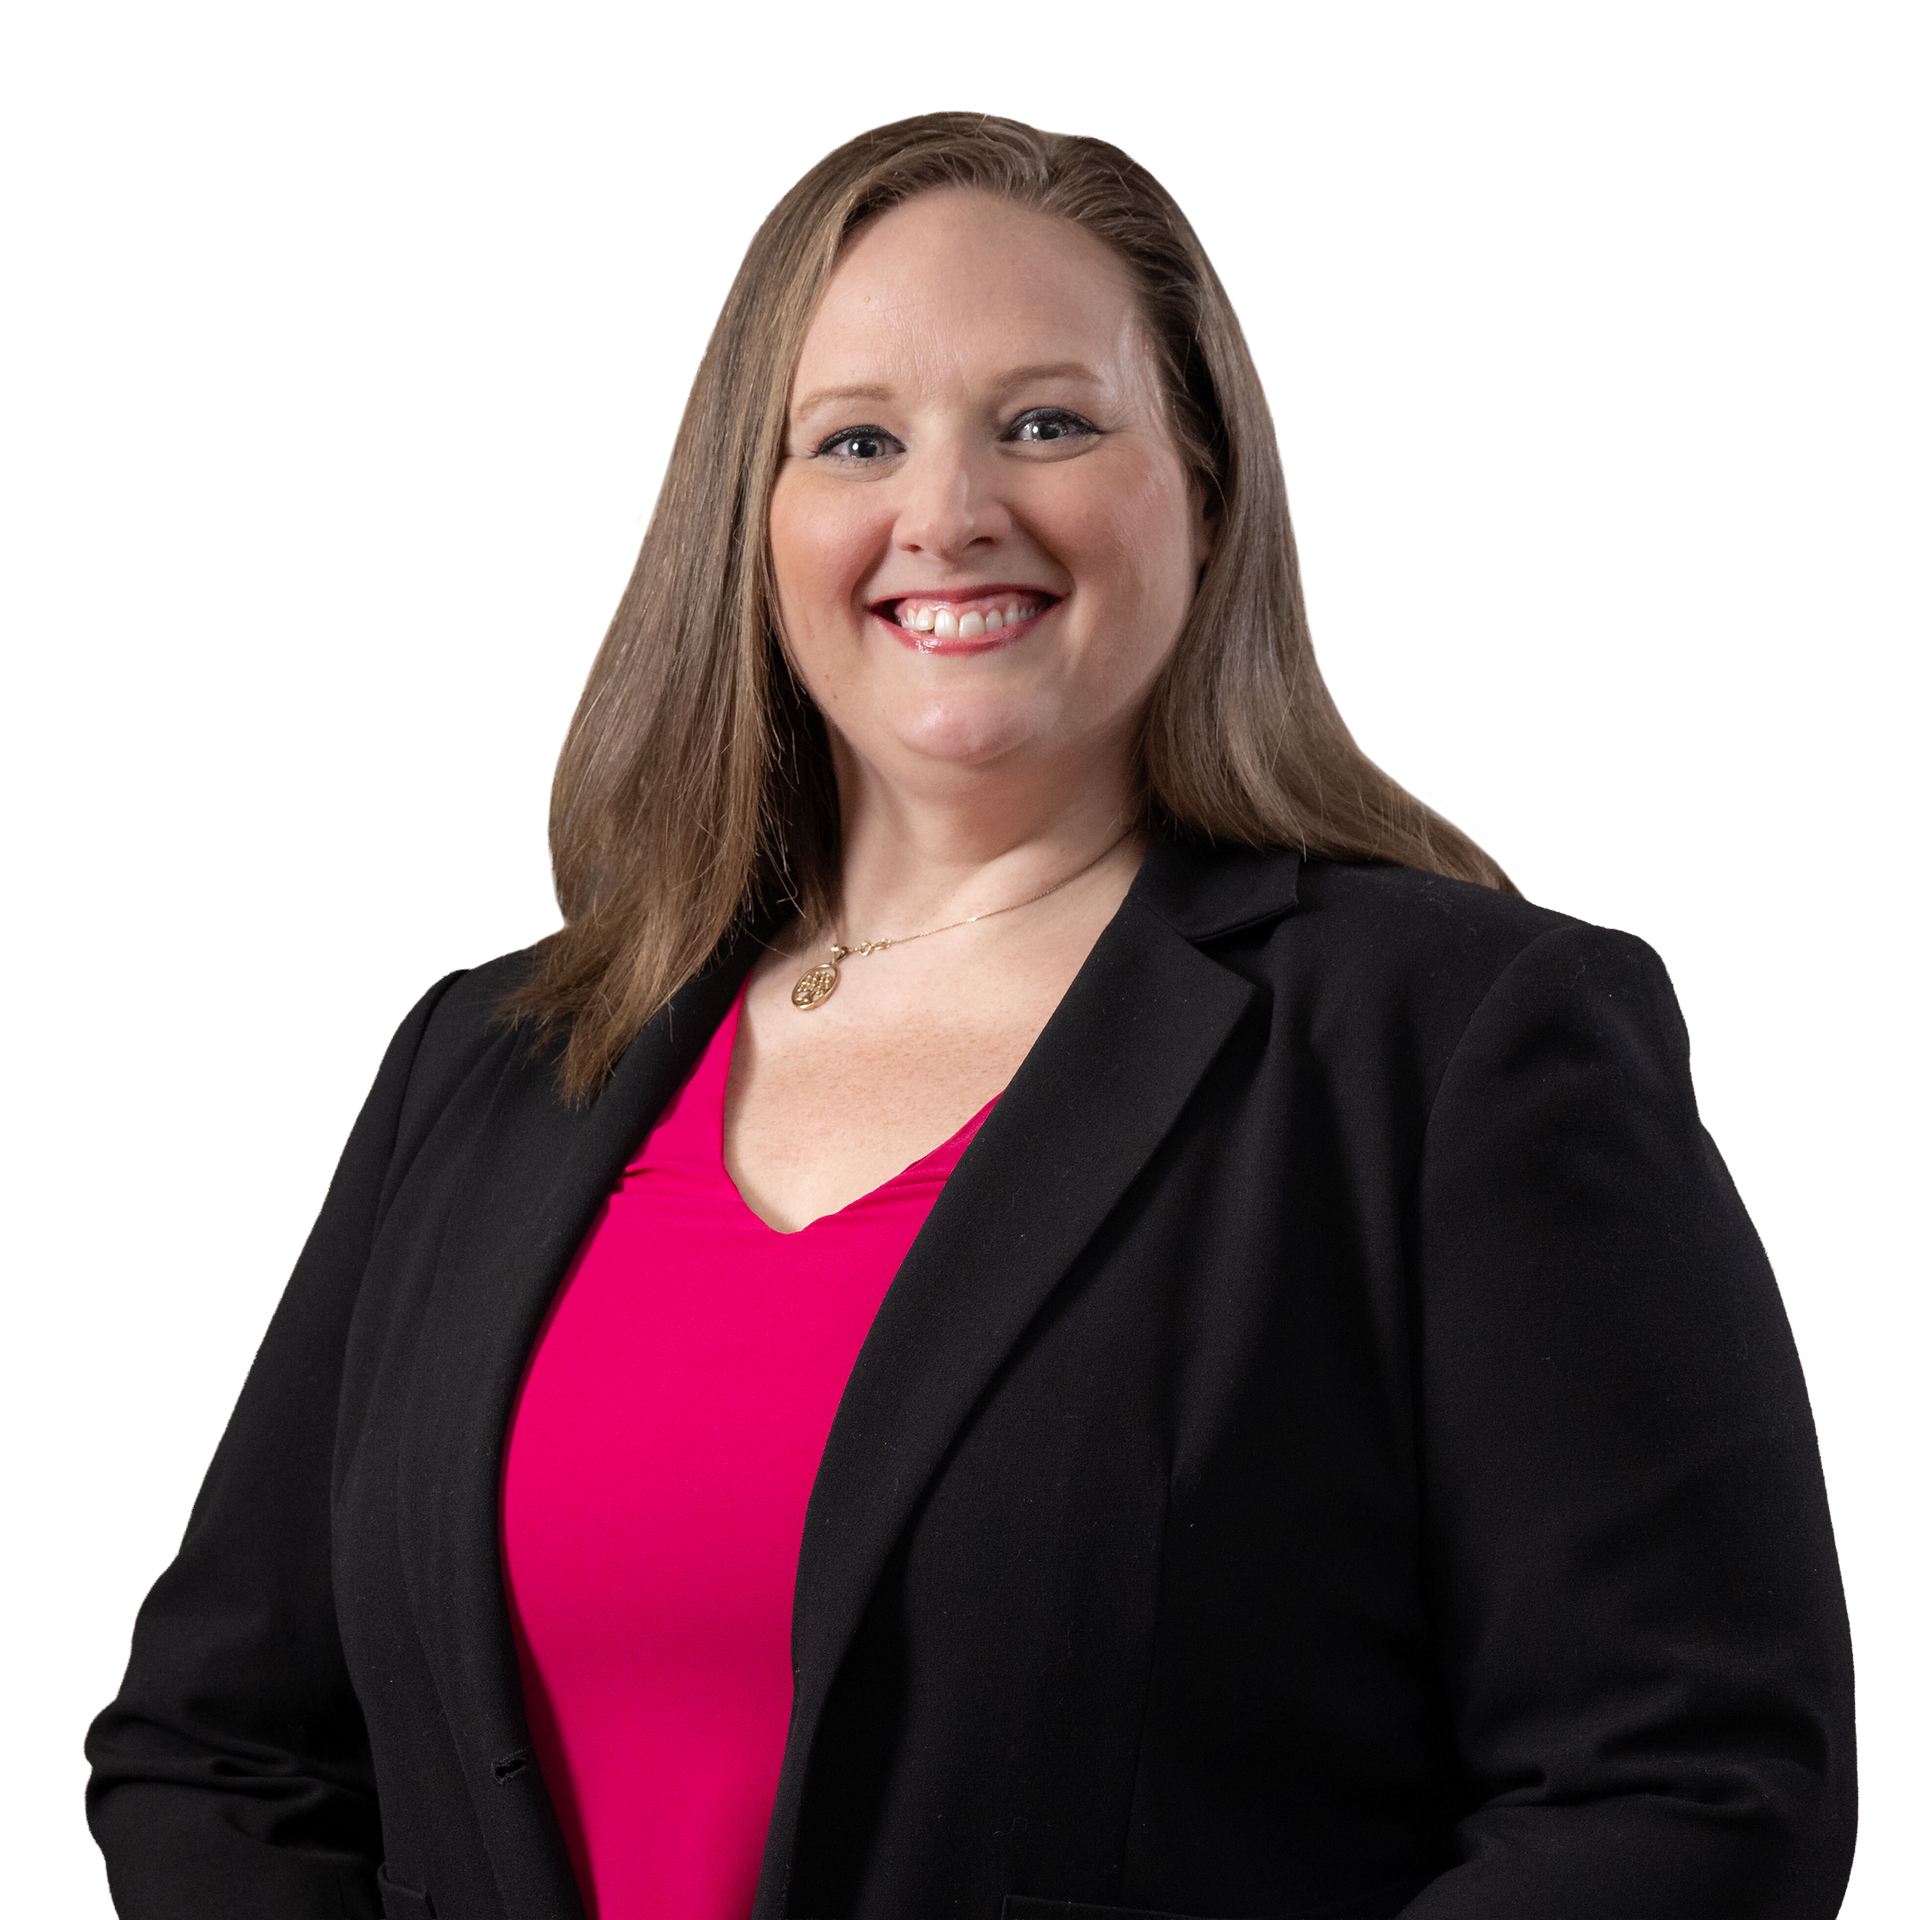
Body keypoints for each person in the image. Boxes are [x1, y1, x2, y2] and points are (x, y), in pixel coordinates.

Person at [82, 110, 1857, 1920]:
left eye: (1049, 424)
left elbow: (1689, 1785)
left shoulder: (1461, 1044)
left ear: (1211, 489)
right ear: (746, 528)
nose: (948, 513)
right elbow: (219, 1751)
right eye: (856, 439)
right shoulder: (493, 1059)